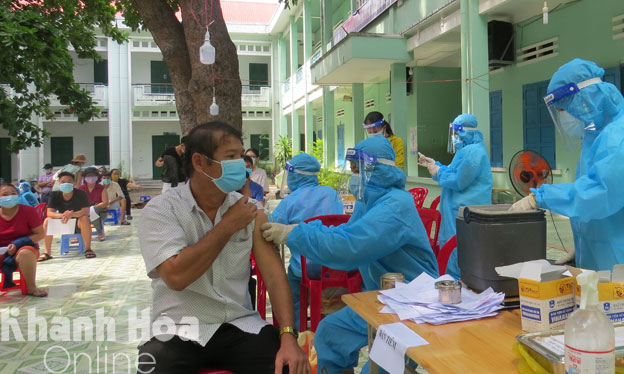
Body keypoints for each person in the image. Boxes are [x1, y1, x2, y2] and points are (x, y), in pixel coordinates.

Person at [137, 121, 309, 374]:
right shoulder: (162, 210)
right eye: (230, 157)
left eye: (240, 156)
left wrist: (287, 336)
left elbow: (274, 276)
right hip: (177, 328)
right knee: (154, 367)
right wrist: (227, 226)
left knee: (287, 366)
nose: (240, 164)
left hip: (239, 325)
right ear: (199, 162)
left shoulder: (250, 211)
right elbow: (176, 276)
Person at [511, 58, 624, 313]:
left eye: (563, 109)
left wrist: (541, 197)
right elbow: (604, 210)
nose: (564, 118)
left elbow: (598, 194)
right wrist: (582, 248)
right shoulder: (595, 139)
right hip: (611, 276)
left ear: (584, 100)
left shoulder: (622, 138)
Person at [262, 136, 438, 374]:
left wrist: (295, 234)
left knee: (379, 368)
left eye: (358, 170)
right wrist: (301, 231)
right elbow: (346, 231)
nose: (354, 176)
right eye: (352, 170)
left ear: (377, 170)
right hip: (381, 300)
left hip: (413, 306)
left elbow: (350, 246)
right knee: (330, 334)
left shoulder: (395, 206)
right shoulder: (370, 202)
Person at [269, 152, 344, 322]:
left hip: (306, 268)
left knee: (290, 291)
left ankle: (294, 327)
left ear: (295, 175)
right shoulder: (330, 193)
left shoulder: (290, 201)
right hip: (334, 264)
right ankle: (328, 321)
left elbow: (271, 225)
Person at [418, 113, 492, 278]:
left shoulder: (474, 152)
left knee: (460, 251)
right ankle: (454, 280)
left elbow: (459, 180)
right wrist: (435, 165)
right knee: (452, 248)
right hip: (455, 211)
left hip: (464, 213)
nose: (455, 137)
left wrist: (438, 171)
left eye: (458, 133)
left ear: (467, 132)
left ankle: (461, 283)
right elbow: (453, 171)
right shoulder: (466, 151)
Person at [0, 184, 47, 296]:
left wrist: (18, 243)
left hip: (24, 248)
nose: (9, 197)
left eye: (13, 194)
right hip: (1, 251)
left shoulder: (27, 211)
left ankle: (31, 287)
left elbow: (40, 234)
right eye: (4, 194)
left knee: (25, 253)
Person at [40, 171, 96, 260]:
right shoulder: (54, 195)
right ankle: (47, 252)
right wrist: (63, 215)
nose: (66, 183)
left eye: (69, 181)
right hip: (63, 221)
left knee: (84, 218)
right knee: (47, 221)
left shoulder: (81, 193)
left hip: (78, 223)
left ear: (74, 183)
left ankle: (88, 249)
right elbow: (49, 213)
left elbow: (86, 211)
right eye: (63, 181)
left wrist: (72, 214)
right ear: (59, 183)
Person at [78, 167, 108, 241]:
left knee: (92, 210)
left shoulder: (101, 188)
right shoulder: (80, 188)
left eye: (93, 175)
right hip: (84, 212)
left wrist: (93, 207)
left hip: (100, 211)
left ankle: (100, 233)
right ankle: (78, 234)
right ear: (84, 178)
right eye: (88, 176)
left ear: (97, 177)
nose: (90, 178)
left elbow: (105, 203)